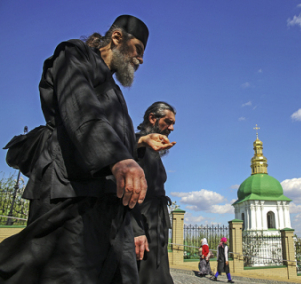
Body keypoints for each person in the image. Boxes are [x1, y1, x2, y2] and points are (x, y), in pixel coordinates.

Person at [0, 15, 174, 284]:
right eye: (138, 49)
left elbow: (122, 147)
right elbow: (80, 109)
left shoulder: (116, 94)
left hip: (111, 211)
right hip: (69, 192)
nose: (140, 60)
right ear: (117, 38)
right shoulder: (74, 54)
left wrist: (136, 224)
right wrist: (118, 158)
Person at [135, 102, 177, 284]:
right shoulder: (136, 144)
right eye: (167, 122)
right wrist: (135, 230)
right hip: (142, 224)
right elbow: (125, 192)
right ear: (153, 118)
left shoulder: (152, 151)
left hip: (156, 226)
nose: (172, 128)